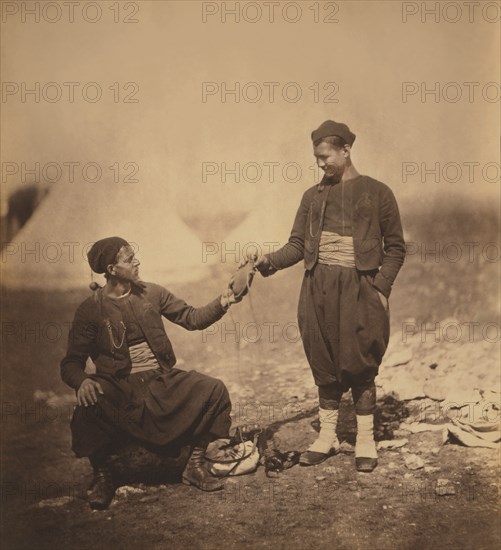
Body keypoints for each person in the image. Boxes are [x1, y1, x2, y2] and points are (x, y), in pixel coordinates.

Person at [248, 120, 406, 472]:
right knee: (325, 363)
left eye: (325, 157)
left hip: (360, 290)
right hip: (317, 289)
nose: (320, 164)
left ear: (346, 150)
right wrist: (266, 262)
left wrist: (380, 290)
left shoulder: (378, 192)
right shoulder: (312, 196)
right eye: (316, 158)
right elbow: (298, 246)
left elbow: (395, 248)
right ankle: (328, 438)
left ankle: (365, 440)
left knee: (361, 364)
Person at [61, 236, 241, 509]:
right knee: (90, 403)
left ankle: (194, 465)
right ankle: (103, 476)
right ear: (111, 269)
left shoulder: (152, 293)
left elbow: (192, 318)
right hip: (118, 386)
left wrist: (225, 300)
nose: (137, 262)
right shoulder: (90, 310)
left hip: (159, 380)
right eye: (130, 259)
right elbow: (70, 363)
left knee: (212, 389)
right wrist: (82, 381)